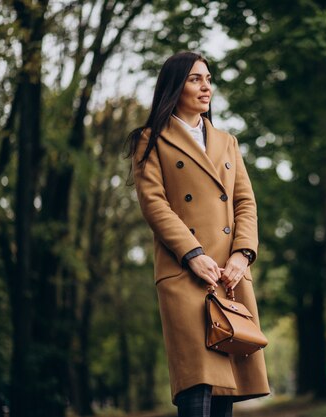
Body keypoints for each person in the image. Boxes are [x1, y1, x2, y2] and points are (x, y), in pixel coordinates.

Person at [125, 51, 270, 417]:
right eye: (195, 79)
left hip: (229, 274)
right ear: (175, 86)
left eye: (208, 78)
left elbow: (245, 204)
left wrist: (242, 255)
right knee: (197, 380)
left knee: (225, 385)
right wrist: (193, 254)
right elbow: (155, 204)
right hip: (185, 271)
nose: (206, 86)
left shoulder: (227, 142)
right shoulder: (150, 140)